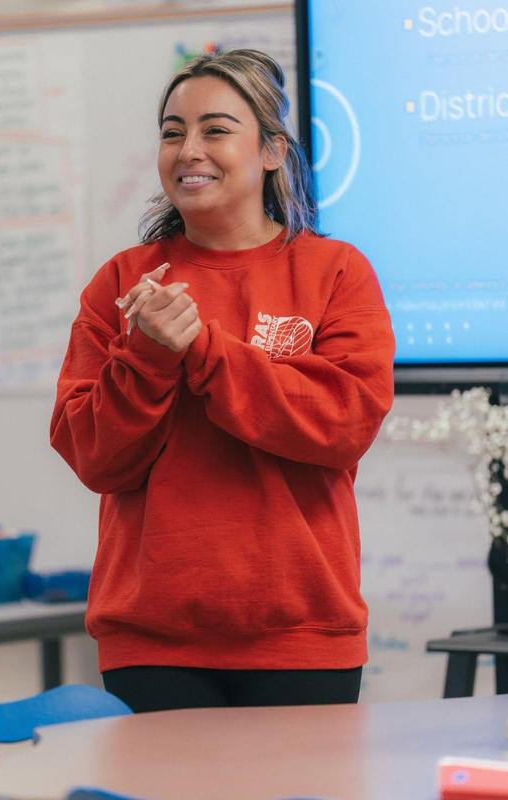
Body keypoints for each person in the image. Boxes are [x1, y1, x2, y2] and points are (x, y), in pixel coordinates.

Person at [50, 49, 395, 712]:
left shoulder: (336, 272)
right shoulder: (123, 282)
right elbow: (93, 454)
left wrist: (205, 351)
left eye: (214, 130)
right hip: (152, 643)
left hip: (302, 637)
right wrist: (148, 357)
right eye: (172, 132)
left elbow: (342, 423)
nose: (188, 150)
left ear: (270, 152)